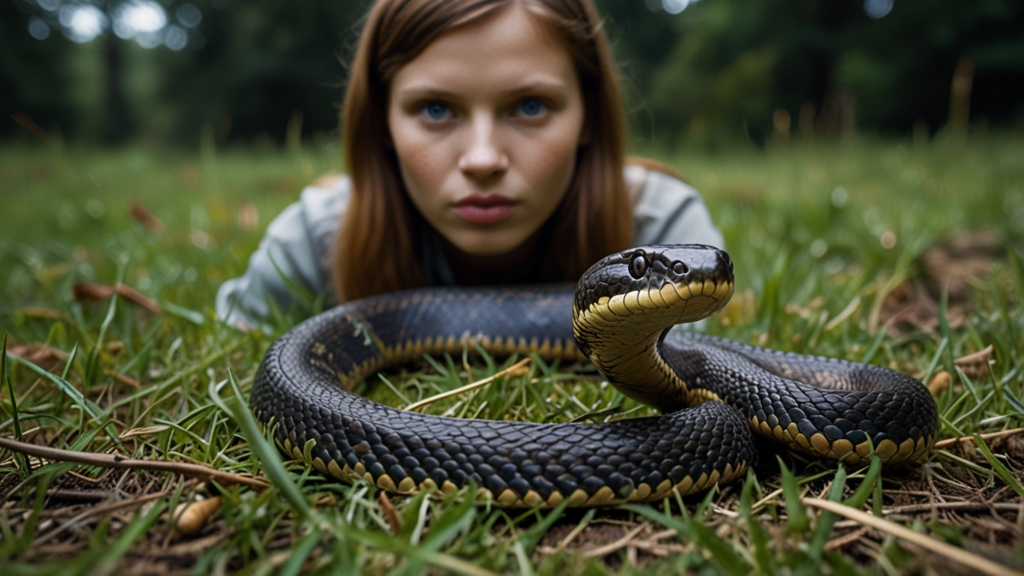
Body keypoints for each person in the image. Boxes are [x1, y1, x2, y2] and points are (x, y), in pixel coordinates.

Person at [217, 0, 723, 330]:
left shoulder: (662, 233)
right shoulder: (315, 241)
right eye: (436, 109)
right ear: (382, 124)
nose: (483, 160)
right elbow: (231, 349)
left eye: (530, 107)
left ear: (588, 115)